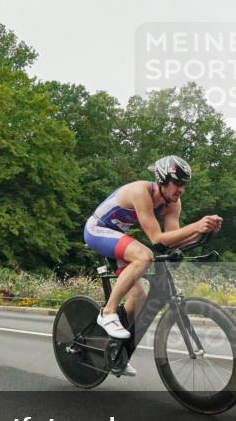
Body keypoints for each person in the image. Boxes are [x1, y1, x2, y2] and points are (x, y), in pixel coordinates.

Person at [83, 156, 222, 376]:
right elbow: (157, 239)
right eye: (177, 183)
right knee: (144, 256)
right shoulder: (141, 192)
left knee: (139, 296)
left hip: (118, 236)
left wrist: (202, 231)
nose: (181, 190)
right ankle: (107, 311)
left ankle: (117, 351)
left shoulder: (173, 204)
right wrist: (196, 225)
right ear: (162, 180)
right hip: (96, 229)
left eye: (184, 184)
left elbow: (172, 238)